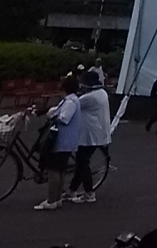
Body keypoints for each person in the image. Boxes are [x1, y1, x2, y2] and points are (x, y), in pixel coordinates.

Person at [34, 74, 81, 211]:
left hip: (60, 141)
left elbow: (64, 118)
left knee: (53, 171)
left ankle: (51, 200)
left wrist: (52, 115)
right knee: (60, 171)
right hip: (67, 142)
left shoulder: (70, 102)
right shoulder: (72, 100)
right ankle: (57, 198)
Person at [68, 70, 111, 204]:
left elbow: (71, 105)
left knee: (82, 163)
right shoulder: (102, 93)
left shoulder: (90, 98)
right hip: (97, 132)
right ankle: (72, 190)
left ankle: (89, 193)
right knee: (81, 162)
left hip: (90, 135)